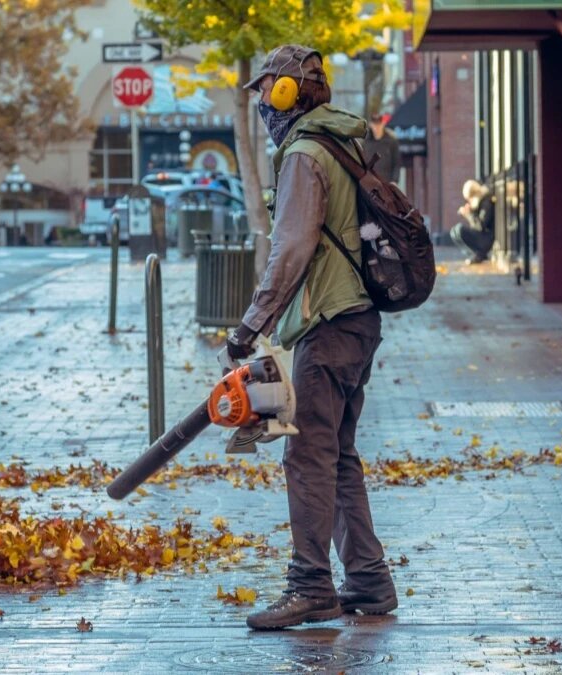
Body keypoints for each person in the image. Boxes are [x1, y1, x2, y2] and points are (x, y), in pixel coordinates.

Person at [225, 44, 397, 630]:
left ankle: (310, 586)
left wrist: (252, 323)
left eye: (266, 93)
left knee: (307, 456)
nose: (262, 110)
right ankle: (369, 580)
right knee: (338, 452)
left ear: (285, 92)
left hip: (330, 323)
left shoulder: (304, 153)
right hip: (359, 320)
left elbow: (292, 246)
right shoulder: (340, 141)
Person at [450, 180, 495, 263]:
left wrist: (469, 214)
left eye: (469, 199)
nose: (469, 201)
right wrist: (471, 211)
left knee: (460, 229)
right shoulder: (480, 202)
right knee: (454, 231)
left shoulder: (486, 202)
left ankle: (480, 254)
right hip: (483, 235)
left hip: (487, 238)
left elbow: (481, 225)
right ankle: (475, 255)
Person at [362, 113, 401, 185]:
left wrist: (394, 181)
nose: (377, 127)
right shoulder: (365, 142)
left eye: (379, 124)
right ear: (371, 125)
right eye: (375, 125)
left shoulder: (391, 141)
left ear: (383, 124)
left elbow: (396, 163)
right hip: (370, 183)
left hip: (386, 184)